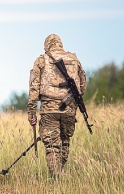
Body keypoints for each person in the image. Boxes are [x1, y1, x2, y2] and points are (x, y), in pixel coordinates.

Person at [27, 34, 87, 179]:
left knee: (53, 146)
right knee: (65, 142)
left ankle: (56, 179)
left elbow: (34, 88)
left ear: (46, 45)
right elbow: (83, 86)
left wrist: (31, 112)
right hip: (69, 109)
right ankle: (60, 175)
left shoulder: (41, 60)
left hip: (49, 109)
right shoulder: (74, 59)